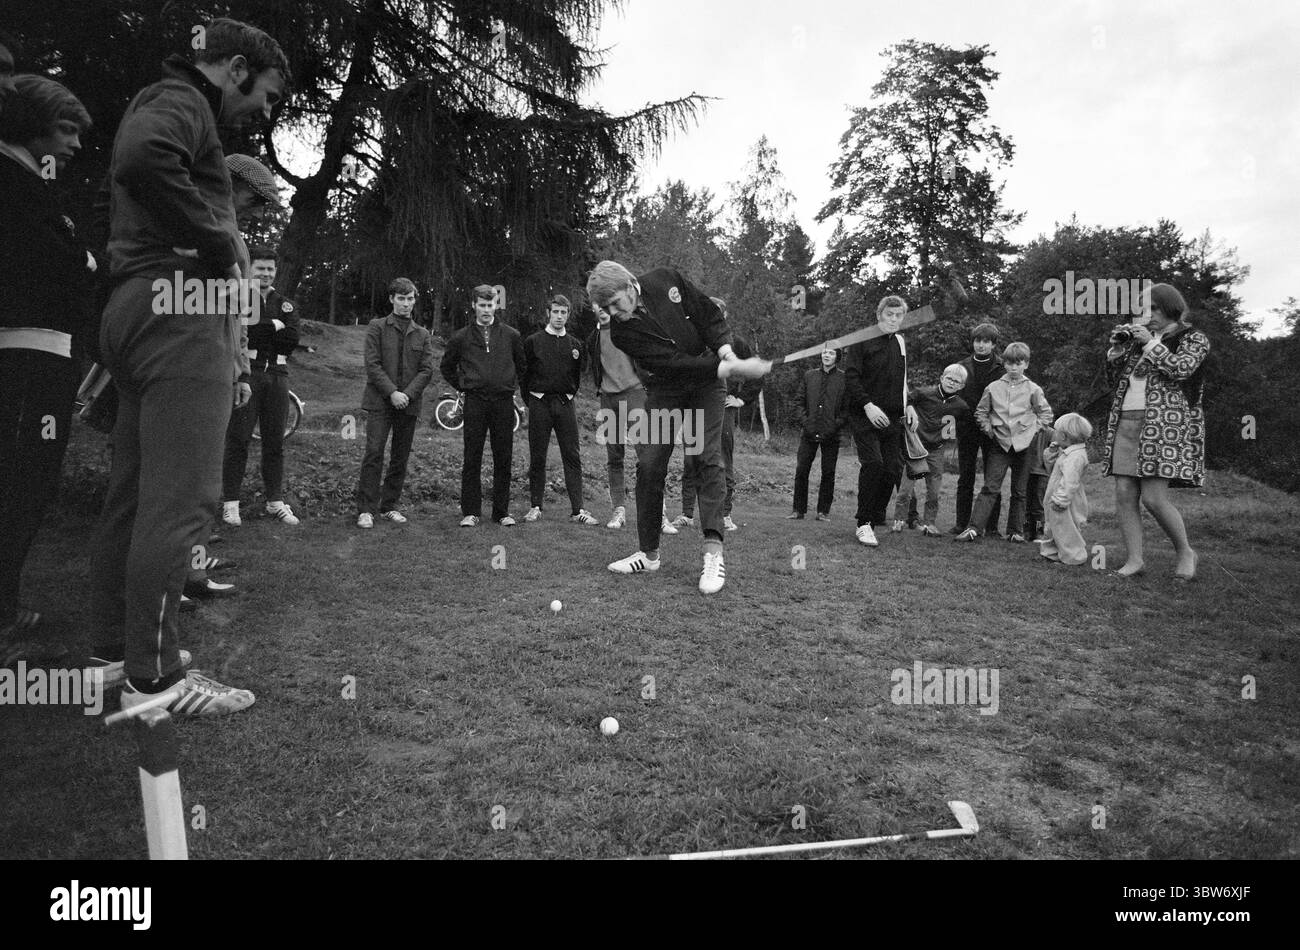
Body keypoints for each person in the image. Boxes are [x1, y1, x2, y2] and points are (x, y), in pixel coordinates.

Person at [86, 18, 289, 717]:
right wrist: (216, 245)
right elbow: (143, 159)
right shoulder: (182, 103)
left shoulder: (167, 101)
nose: (262, 111)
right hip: (177, 318)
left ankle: (113, 655)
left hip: (137, 308)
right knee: (183, 502)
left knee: (137, 495)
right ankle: (157, 677)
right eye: (262, 93)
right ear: (234, 68)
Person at [587, 261, 770, 594]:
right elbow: (673, 363)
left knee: (705, 456)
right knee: (649, 463)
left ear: (630, 285)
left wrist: (727, 351)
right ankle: (648, 554)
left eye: (616, 303)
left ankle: (713, 553)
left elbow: (707, 314)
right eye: (607, 309)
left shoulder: (666, 279)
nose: (615, 313)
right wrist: (729, 368)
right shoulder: (623, 332)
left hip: (706, 389)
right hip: (667, 387)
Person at [0, 75, 94, 652]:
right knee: (21, 486)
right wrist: (79, 262)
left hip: (41, 354)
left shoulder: (28, 183)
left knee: (27, 487)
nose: (76, 145)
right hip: (29, 358)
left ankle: (7, 603)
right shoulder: (15, 186)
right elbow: (65, 270)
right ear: (30, 124)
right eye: (65, 129)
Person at [1103, 283, 1208, 580]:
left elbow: (1180, 369)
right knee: (1124, 493)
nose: (1146, 315)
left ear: (1169, 307)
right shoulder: (1139, 341)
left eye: (1152, 309)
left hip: (1164, 426)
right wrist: (1117, 351)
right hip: (1126, 418)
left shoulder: (1193, 337)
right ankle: (1135, 560)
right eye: (1142, 310)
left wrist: (1150, 342)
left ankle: (1186, 551)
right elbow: (1116, 382)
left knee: (1153, 498)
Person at [222, 241, 301, 527]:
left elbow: (292, 339)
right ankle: (230, 503)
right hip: (249, 372)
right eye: (260, 269)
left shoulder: (286, 303)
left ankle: (274, 501)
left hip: (278, 375)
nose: (266, 274)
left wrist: (268, 326)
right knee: (239, 438)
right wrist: (273, 326)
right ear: (249, 269)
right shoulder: (240, 297)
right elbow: (246, 331)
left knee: (275, 441)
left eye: (270, 269)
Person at [441, 285, 527, 527]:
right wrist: (464, 385)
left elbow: (522, 366)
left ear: (495, 306)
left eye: (490, 305)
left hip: (502, 403)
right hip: (475, 402)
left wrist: (509, 384)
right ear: (474, 305)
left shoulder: (511, 335)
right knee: (472, 457)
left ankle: (501, 512)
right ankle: (471, 512)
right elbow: (446, 367)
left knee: (504, 457)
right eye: (482, 305)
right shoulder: (461, 337)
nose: (487, 310)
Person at [355, 277, 434, 527]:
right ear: (392, 299)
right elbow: (373, 364)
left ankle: (389, 505)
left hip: (408, 404)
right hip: (381, 401)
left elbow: (426, 370)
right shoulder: (377, 327)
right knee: (374, 452)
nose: (406, 304)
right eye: (401, 298)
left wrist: (407, 394)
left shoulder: (422, 334)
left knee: (400, 456)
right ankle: (366, 509)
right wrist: (392, 392)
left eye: (410, 299)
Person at [956, 342, 1054, 543]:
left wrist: (1034, 430)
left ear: (1025, 364)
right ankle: (973, 528)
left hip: (1025, 446)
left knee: (1019, 491)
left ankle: (1015, 532)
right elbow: (981, 412)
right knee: (990, 487)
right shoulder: (993, 387)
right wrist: (988, 429)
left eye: (1018, 364)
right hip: (999, 445)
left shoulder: (1033, 389)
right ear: (1005, 364)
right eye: (1009, 363)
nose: (1013, 368)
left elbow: (1046, 414)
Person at [844, 295, 919, 547]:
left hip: (892, 417)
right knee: (873, 464)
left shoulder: (900, 341)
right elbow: (851, 378)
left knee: (892, 470)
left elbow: (903, 379)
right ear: (879, 315)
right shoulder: (861, 340)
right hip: (864, 415)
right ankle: (863, 524)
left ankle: (875, 515)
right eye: (889, 314)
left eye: (899, 315)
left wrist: (909, 405)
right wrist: (868, 406)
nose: (894, 319)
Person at [674, 318, 759, 532]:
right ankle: (687, 513)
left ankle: (726, 514)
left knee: (721, 460)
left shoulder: (736, 343)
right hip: (694, 408)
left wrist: (742, 398)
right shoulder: (691, 341)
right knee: (691, 459)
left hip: (722, 408)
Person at [522, 295, 597, 525]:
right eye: (555, 312)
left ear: (568, 315)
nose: (559, 317)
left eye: (563, 312)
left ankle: (578, 510)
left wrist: (568, 395)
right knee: (538, 456)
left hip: (565, 404)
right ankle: (535, 506)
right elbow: (524, 376)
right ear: (548, 313)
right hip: (539, 403)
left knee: (572, 455)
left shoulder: (575, 345)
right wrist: (532, 400)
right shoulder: (533, 341)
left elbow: (576, 376)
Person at [891, 363, 969, 536]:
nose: (951, 383)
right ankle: (899, 519)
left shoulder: (961, 406)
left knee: (933, 490)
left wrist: (951, 435)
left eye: (957, 381)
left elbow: (964, 424)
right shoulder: (924, 393)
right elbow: (906, 399)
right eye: (949, 378)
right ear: (942, 378)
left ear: (962, 385)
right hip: (916, 448)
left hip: (937, 450)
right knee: (906, 488)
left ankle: (929, 523)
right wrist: (910, 407)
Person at [588, 303, 647, 529]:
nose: (601, 308)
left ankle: (657, 513)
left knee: (646, 454)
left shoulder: (627, 329)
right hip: (608, 398)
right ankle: (618, 511)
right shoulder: (592, 338)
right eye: (597, 304)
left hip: (634, 395)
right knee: (615, 456)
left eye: (605, 304)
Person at [953, 322, 1004, 534]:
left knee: (992, 479)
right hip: (967, 428)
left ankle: (991, 528)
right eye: (977, 341)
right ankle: (961, 523)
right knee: (966, 476)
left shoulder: (1002, 367)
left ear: (993, 344)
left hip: (993, 430)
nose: (981, 345)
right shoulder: (961, 366)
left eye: (986, 341)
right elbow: (954, 394)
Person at [788, 346, 848, 521]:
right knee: (801, 470)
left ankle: (823, 512)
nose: (826, 355)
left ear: (837, 356)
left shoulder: (844, 379)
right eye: (824, 352)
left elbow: (846, 410)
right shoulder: (809, 376)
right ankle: (798, 510)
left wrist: (834, 426)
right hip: (809, 432)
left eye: (830, 353)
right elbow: (798, 402)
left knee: (828, 472)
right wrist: (806, 423)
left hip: (832, 434)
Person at [1037, 413, 1092, 566]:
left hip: (1066, 499)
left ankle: (1074, 557)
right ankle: (1052, 553)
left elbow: (1070, 481)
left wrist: (1061, 499)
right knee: (1053, 525)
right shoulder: (1067, 452)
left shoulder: (1075, 457)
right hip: (1055, 495)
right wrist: (1052, 452)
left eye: (1056, 431)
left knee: (1066, 528)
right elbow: (1051, 467)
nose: (1053, 433)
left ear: (1064, 436)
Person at [1024, 424, 1054, 542]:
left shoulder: (1050, 433)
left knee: (1038, 504)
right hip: (1027, 471)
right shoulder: (1025, 429)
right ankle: (1027, 531)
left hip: (1041, 472)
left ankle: (1038, 532)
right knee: (1027, 503)